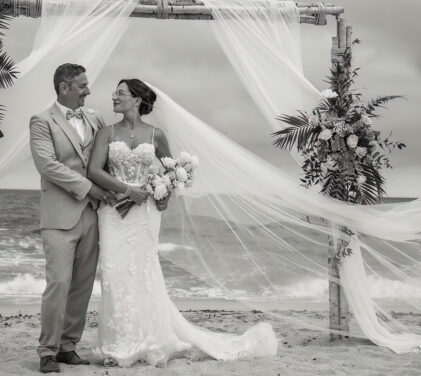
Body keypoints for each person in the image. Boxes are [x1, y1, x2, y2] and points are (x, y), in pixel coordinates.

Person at [87, 78, 278, 367]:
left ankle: (149, 339)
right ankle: (118, 342)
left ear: (137, 101)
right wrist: (127, 190)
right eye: (115, 92)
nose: (114, 96)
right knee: (115, 274)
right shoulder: (106, 132)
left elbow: (171, 173)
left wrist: (163, 196)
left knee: (144, 273)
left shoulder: (156, 135)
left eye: (121, 93)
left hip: (145, 215)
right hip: (114, 212)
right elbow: (93, 171)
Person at [29, 63, 116, 374]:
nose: (88, 91)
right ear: (64, 88)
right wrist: (90, 187)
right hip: (58, 216)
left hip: (93, 215)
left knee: (82, 285)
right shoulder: (41, 121)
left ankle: (68, 346)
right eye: (82, 86)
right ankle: (47, 351)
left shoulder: (96, 119)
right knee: (59, 283)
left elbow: (108, 159)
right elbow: (47, 165)